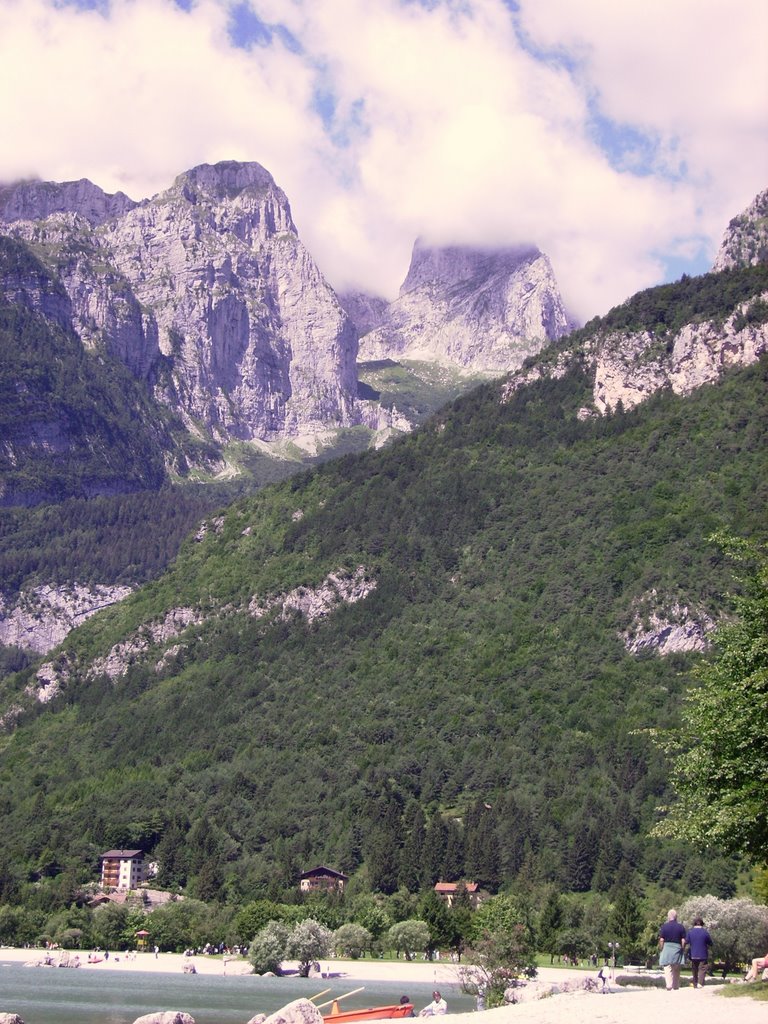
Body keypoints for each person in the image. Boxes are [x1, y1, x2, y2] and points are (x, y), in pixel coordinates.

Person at [658, 909, 686, 991]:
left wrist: (661, 948)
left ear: (668, 917)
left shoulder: (664, 926)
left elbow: (661, 939)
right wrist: (682, 948)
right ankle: (676, 985)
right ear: (676, 917)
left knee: (667, 967)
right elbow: (683, 940)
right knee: (676, 967)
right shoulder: (681, 927)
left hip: (667, 947)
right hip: (677, 947)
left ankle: (669, 985)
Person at [685, 916, 713, 989]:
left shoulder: (690, 932)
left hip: (693, 954)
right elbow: (710, 943)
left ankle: (695, 983)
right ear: (702, 924)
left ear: (694, 924)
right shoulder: (705, 932)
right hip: (703, 954)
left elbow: (686, 941)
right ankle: (700, 983)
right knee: (702, 968)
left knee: (694, 969)